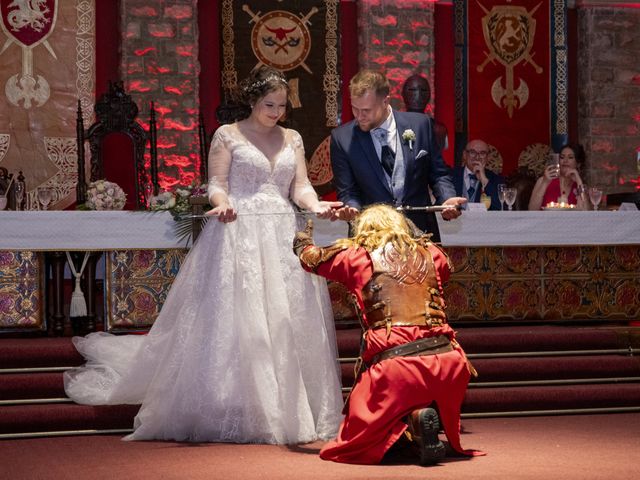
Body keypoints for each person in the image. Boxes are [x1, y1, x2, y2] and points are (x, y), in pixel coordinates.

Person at [64, 66, 345, 444]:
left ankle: (290, 403)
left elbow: (301, 187)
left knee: (285, 315)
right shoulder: (228, 135)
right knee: (238, 317)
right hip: (238, 228)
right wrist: (223, 203)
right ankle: (234, 402)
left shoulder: (292, 138)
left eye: (281, 105)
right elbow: (217, 184)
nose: (276, 111)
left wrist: (318, 207)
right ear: (251, 100)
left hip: (281, 230)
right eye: (268, 104)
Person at [293, 204, 484, 466]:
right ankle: (417, 423)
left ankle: (404, 429)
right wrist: (410, 231)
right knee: (413, 393)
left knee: (351, 442)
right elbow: (446, 267)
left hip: (396, 369)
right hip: (448, 364)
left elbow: (311, 258)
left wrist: (301, 239)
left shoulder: (356, 256)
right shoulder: (432, 253)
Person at [330, 69, 465, 242]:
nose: (359, 116)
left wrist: (447, 199)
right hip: (371, 237)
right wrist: (351, 209)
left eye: (366, 110)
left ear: (385, 101)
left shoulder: (420, 125)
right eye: (354, 109)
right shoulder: (342, 138)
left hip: (420, 234)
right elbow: (348, 191)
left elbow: (438, 174)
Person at [528, 142, 588, 210]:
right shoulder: (544, 180)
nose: (565, 161)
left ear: (578, 164)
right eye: (562, 157)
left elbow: (586, 213)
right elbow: (532, 209)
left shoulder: (580, 185)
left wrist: (579, 181)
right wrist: (545, 183)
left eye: (570, 157)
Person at [452, 139, 505, 210]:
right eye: (472, 152)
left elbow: (502, 208)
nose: (477, 157)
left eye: (482, 153)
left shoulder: (495, 179)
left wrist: (485, 181)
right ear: (464, 155)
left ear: (487, 158)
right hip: (455, 220)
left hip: (483, 220)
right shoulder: (450, 176)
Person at [401, 73, 448, 151]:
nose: (418, 95)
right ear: (403, 94)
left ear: (429, 95)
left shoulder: (438, 129)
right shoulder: (393, 126)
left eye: (423, 90)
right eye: (413, 90)